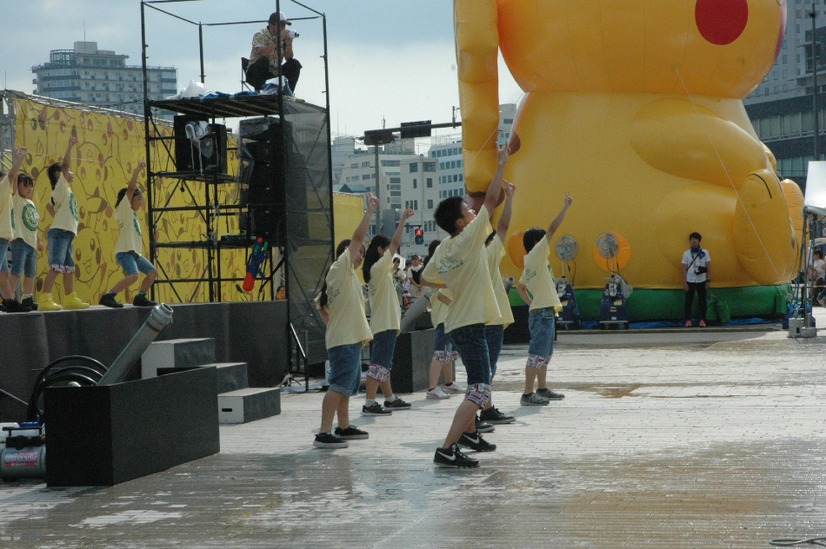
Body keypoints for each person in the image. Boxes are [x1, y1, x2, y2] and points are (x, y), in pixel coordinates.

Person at [422, 145, 510, 468]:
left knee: (476, 385)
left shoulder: (443, 249)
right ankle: (447, 447)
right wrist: (501, 164)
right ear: (461, 222)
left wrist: (452, 288)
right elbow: (490, 200)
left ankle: (465, 436)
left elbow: (425, 278)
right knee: (479, 387)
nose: (473, 213)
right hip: (471, 324)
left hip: (458, 322)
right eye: (467, 211)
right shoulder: (470, 238)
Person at [313, 193, 378, 449]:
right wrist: (369, 211)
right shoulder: (340, 267)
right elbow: (359, 236)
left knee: (347, 386)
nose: (361, 255)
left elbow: (320, 305)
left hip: (348, 338)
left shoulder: (348, 275)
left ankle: (343, 426)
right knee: (338, 385)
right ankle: (323, 432)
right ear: (346, 252)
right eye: (358, 252)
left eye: (361, 253)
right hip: (343, 340)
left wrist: (333, 325)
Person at [516, 192, 574, 406]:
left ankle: (541, 388)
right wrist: (566, 207)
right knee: (537, 353)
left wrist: (532, 303)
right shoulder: (537, 254)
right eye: (543, 240)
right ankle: (527, 393)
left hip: (542, 311)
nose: (546, 242)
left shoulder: (530, 261)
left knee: (544, 354)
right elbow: (552, 229)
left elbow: (521, 287)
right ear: (537, 242)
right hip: (542, 313)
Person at [361, 206, 416, 416]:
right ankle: (369, 402)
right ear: (380, 251)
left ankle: (389, 398)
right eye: (386, 250)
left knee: (384, 364)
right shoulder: (378, 268)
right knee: (379, 364)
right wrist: (402, 219)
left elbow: (393, 246)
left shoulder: (379, 271)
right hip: (384, 324)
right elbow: (396, 243)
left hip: (387, 323)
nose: (391, 254)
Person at [39, 128, 90, 311]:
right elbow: (67, 166)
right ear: (58, 175)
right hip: (60, 233)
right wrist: (70, 146)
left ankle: (70, 298)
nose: (69, 172)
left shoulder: (63, 191)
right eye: (63, 171)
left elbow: (48, 206)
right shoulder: (61, 186)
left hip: (67, 232)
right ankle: (45, 299)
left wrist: (58, 218)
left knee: (69, 268)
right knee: (56, 267)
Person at [479, 181, 517, 424]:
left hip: (479, 316)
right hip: (490, 317)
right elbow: (503, 225)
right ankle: (479, 413)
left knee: (485, 368)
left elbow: (501, 225)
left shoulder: (468, 252)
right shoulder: (487, 251)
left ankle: (487, 409)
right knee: (486, 369)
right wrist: (510, 197)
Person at [99, 160, 158, 308]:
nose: (140, 202)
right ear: (128, 199)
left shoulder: (133, 214)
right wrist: (137, 170)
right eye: (138, 199)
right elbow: (131, 188)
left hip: (134, 253)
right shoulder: (123, 209)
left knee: (152, 272)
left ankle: (140, 297)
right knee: (133, 276)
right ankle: (108, 295)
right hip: (125, 252)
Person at [422, 240, 465, 402]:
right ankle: (432, 388)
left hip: (446, 316)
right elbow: (442, 295)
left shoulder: (434, 270)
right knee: (441, 352)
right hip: (443, 316)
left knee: (447, 352)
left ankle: (448, 383)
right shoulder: (440, 270)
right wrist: (457, 306)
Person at [8, 170, 43, 312]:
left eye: (31, 186)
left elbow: (34, 224)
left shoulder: (31, 203)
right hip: (20, 241)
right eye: (26, 185)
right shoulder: (15, 199)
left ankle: (27, 298)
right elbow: (14, 179)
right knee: (17, 271)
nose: (29, 188)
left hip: (31, 243)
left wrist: (39, 241)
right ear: (18, 186)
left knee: (30, 272)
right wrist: (19, 159)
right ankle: (8, 298)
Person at [246, 11, 302, 93]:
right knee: (263, 61)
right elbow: (263, 53)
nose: (283, 28)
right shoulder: (260, 35)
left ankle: (287, 93)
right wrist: (277, 39)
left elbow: (289, 58)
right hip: (256, 73)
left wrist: (289, 45)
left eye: (284, 25)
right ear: (271, 25)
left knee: (295, 64)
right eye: (281, 25)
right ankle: (259, 92)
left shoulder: (282, 38)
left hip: (274, 73)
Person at [0, 146, 27, 313]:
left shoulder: (6, 194)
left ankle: (9, 301)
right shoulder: (2, 188)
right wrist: (20, 159)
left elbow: (12, 180)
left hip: (3, 236)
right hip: (1, 235)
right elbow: (11, 176)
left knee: (3, 274)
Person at [682, 231, 711, 327]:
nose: (694, 241)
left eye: (696, 239)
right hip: (690, 280)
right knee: (688, 301)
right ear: (690, 241)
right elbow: (685, 269)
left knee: (702, 300)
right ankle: (688, 320)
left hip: (701, 280)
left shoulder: (705, 252)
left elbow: (708, 266)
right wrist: (685, 282)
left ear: (699, 241)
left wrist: (708, 280)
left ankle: (703, 320)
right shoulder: (686, 254)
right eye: (692, 239)